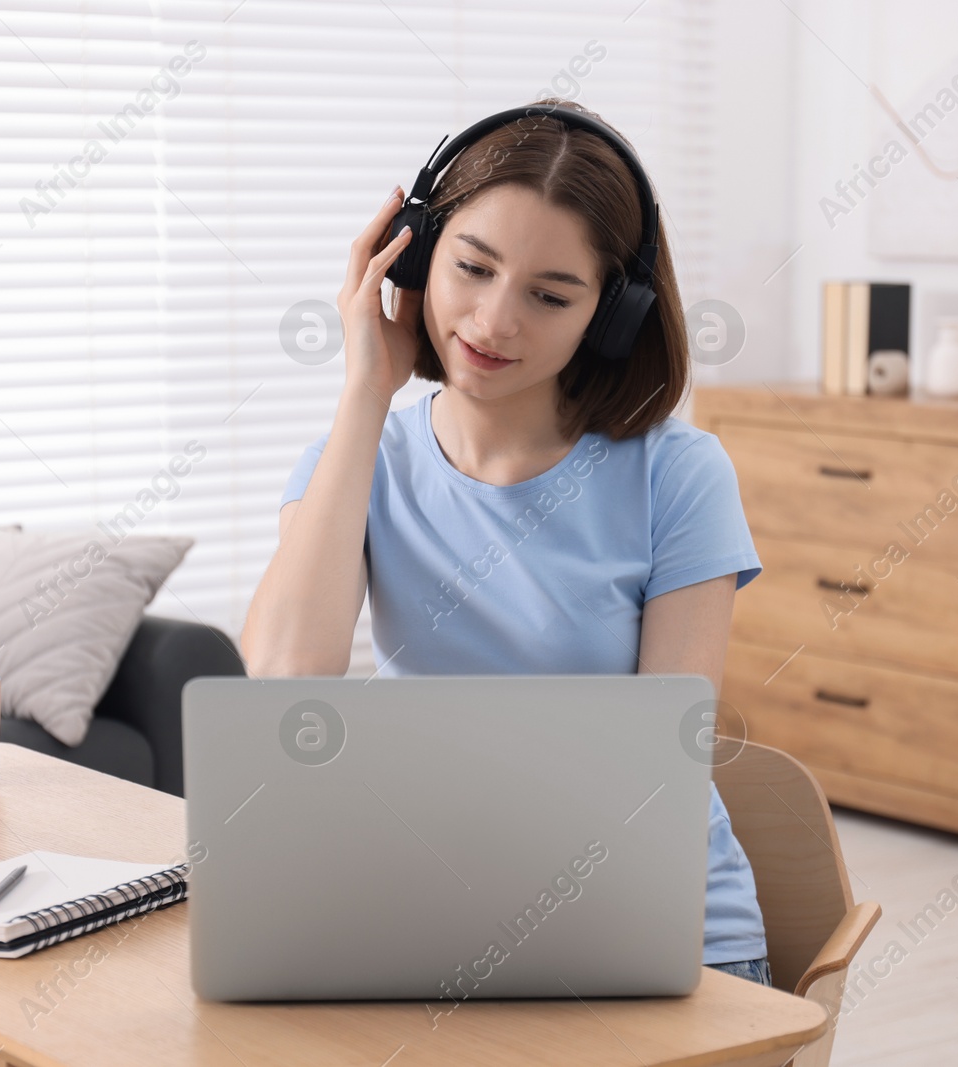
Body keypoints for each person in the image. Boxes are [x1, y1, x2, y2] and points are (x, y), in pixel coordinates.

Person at [242, 98, 771, 987]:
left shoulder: (678, 475)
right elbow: (284, 682)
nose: (491, 322)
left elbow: (656, 770)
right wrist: (367, 391)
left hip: (653, 929)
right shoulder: (354, 461)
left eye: (550, 295)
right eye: (472, 269)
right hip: (433, 913)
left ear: (612, 315)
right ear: (413, 258)